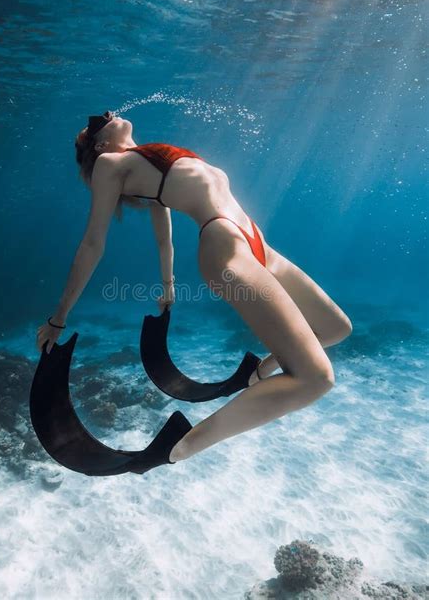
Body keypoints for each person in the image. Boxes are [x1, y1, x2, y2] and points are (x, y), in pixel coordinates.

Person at [36, 111, 352, 465]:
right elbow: (93, 244)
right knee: (316, 379)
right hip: (227, 247)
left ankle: (257, 373)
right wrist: (59, 318)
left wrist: (168, 287)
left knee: (336, 328)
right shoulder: (109, 163)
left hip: (258, 246)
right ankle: (178, 448)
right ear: (100, 145)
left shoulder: (147, 165)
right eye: (97, 123)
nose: (107, 115)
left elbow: (164, 241)